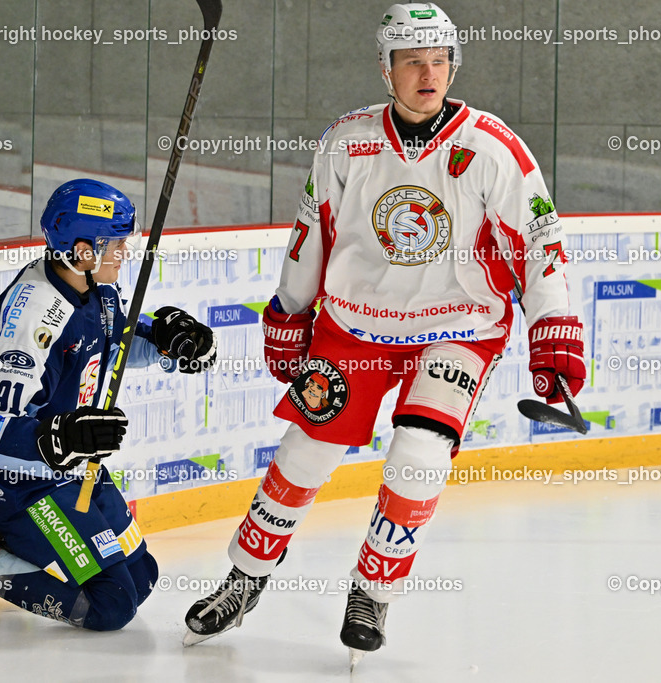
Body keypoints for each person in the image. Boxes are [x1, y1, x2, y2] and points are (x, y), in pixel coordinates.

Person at [183, 2, 585, 664]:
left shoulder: (491, 147)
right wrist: (290, 311)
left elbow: (540, 241)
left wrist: (554, 330)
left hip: (456, 326)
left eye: (438, 60)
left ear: (452, 64)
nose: (428, 74)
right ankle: (244, 578)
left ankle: (372, 590)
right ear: (386, 69)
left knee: (421, 453)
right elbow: (312, 231)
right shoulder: (348, 141)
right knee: (303, 454)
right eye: (412, 62)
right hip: (356, 326)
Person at [0, 178, 216, 631]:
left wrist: (171, 343)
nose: (123, 253)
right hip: (18, 484)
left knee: (142, 577)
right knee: (110, 606)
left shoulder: (97, 291)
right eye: (114, 244)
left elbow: (116, 343)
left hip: (68, 471)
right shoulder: (34, 320)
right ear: (81, 250)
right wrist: (62, 436)